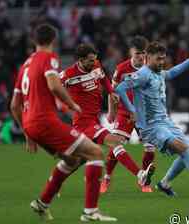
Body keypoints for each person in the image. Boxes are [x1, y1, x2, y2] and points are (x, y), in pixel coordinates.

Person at [10, 24, 117, 222]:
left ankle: (42, 204)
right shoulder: (48, 58)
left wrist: (27, 134)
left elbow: (14, 105)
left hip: (30, 124)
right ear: (54, 41)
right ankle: (90, 212)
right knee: (95, 152)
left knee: (73, 160)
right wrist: (72, 104)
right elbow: (53, 84)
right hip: (45, 122)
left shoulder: (25, 65)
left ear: (34, 41)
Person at [116, 42, 189, 197]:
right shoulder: (142, 75)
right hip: (151, 127)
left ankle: (164, 183)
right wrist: (132, 109)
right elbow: (120, 88)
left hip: (165, 122)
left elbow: (172, 72)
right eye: (158, 59)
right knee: (183, 149)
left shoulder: (159, 73)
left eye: (163, 59)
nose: (162, 62)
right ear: (148, 58)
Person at [60, 43, 155, 192]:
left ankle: (56, 181)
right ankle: (140, 174)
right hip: (83, 122)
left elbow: (104, 78)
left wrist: (111, 92)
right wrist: (66, 108)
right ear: (80, 60)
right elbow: (53, 90)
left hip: (94, 118)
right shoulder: (68, 75)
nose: (94, 63)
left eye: (95, 59)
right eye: (90, 60)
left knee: (78, 159)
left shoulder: (96, 65)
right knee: (115, 142)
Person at [102, 36, 155, 193]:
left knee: (150, 149)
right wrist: (111, 111)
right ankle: (107, 177)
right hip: (125, 113)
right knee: (116, 143)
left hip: (144, 115)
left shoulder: (150, 68)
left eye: (143, 53)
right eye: (137, 53)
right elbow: (112, 91)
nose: (140, 56)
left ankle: (144, 180)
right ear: (131, 52)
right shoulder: (122, 68)